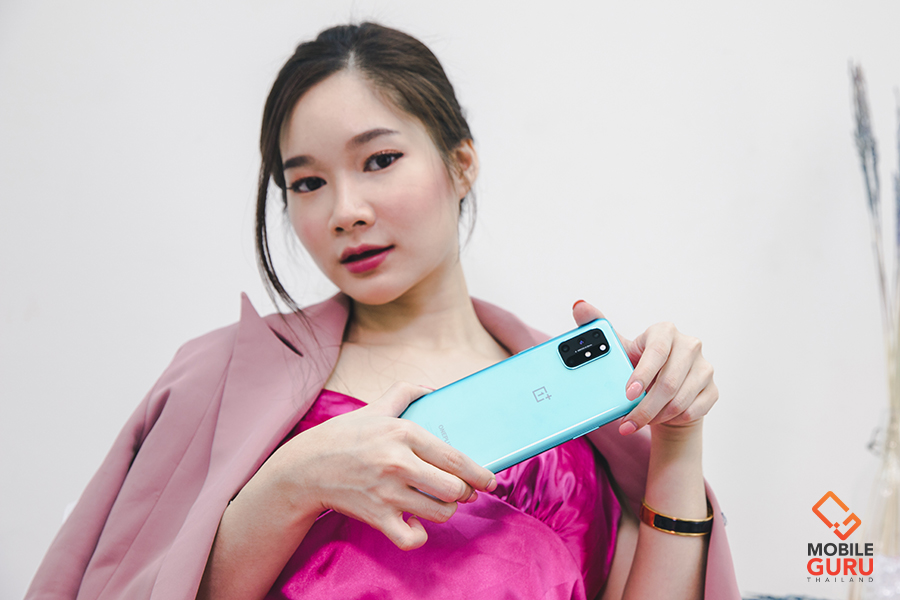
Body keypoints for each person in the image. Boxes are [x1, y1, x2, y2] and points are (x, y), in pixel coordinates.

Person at [26, 21, 739, 600]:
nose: (346, 211)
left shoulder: (585, 416)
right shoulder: (215, 385)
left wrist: (677, 443)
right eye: (307, 183)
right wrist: (293, 483)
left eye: (378, 160)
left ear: (461, 164)